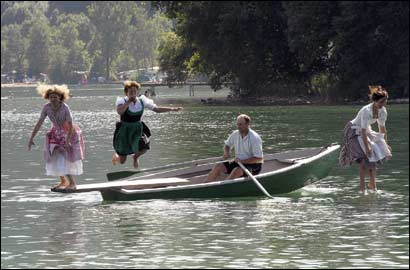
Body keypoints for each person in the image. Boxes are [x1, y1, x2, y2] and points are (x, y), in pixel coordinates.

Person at [112, 80, 183, 168]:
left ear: (137, 92)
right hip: (125, 130)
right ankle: (117, 156)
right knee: (123, 160)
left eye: (135, 91)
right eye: (131, 92)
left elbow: (156, 109)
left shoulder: (142, 101)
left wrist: (172, 109)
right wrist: (129, 102)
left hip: (137, 128)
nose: (133, 93)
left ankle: (135, 157)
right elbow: (119, 111)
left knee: (145, 146)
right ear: (126, 93)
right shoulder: (122, 101)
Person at [28, 85, 85, 192]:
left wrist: (67, 141)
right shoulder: (46, 107)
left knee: (65, 158)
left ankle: (72, 183)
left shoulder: (65, 107)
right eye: (51, 97)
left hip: (68, 133)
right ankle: (63, 181)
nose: (53, 99)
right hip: (55, 133)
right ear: (48, 97)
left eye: (55, 97)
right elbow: (39, 123)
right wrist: (31, 138)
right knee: (54, 157)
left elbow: (70, 125)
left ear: (60, 97)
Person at [339, 85, 392, 192]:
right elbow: (362, 131)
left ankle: (373, 185)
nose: (383, 104)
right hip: (354, 130)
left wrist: (385, 144)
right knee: (365, 156)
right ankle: (362, 188)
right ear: (375, 101)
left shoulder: (383, 111)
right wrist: (367, 147)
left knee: (374, 155)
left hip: (366, 130)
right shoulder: (366, 111)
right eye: (381, 102)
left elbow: (382, 128)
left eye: (385, 102)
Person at [205, 114, 263, 182]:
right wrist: (227, 152)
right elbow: (227, 145)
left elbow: (258, 158)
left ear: (247, 124)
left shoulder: (254, 138)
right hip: (238, 162)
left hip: (254, 165)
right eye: (237, 124)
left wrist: (242, 161)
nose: (238, 127)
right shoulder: (235, 134)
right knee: (219, 166)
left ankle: (222, 189)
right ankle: (204, 185)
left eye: (240, 124)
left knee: (236, 171)